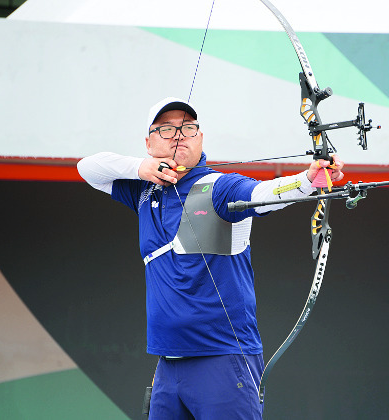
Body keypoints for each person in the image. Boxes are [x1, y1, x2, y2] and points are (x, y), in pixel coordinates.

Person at [77, 97, 344, 419]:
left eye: (188, 128)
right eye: (166, 129)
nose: (178, 135)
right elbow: (88, 168)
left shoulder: (219, 186)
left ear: (200, 138)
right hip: (168, 361)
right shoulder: (143, 191)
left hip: (222, 358)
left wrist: (308, 179)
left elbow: (264, 196)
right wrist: (140, 169)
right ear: (148, 143)